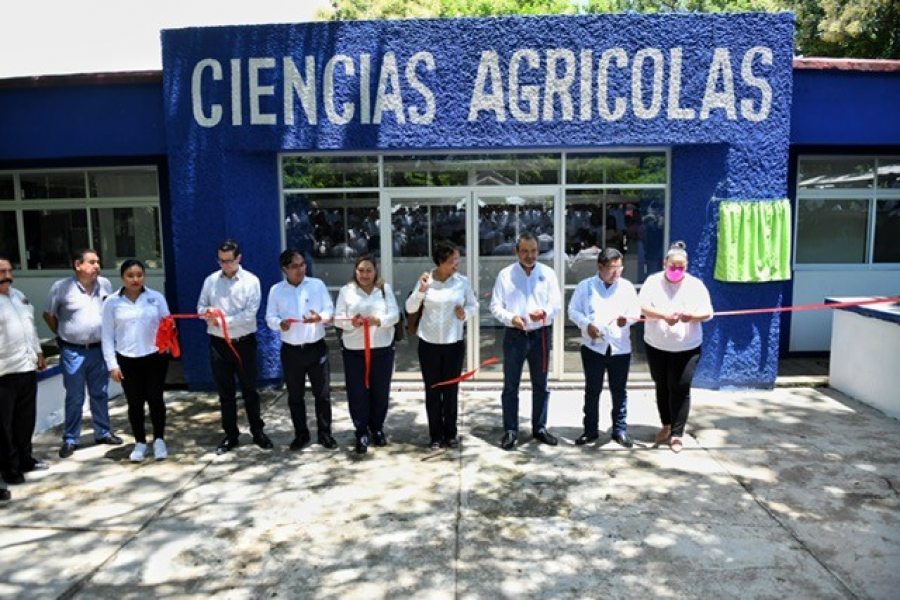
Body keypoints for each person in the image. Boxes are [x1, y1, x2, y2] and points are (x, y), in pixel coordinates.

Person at [44, 249, 123, 458]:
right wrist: (63, 335)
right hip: (73, 351)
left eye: (98, 262)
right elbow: (49, 315)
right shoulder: (61, 288)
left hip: (98, 349)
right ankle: (71, 439)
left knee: (100, 393)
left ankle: (103, 432)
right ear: (78, 265)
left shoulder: (105, 285)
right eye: (92, 262)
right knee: (75, 397)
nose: (97, 266)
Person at [197, 239, 273, 455]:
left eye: (229, 261)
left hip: (244, 343)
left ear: (239, 258)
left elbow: (249, 314)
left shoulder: (251, 281)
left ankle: (257, 431)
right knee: (225, 393)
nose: (225, 265)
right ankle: (231, 435)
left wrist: (221, 321)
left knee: (250, 390)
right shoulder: (211, 281)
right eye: (221, 261)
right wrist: (207, 314)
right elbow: (200, 307)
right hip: (218, 344)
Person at [639, 241, 713, 453]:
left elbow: (707, 312)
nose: (676, 271)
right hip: (657, 345)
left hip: (687, 347)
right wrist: (662, 315)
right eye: (673, 266)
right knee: (662, 385)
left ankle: (678, 434)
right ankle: (666, 425)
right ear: (665, 264)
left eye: (681, 267)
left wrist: (691, 317)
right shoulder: (652, 282)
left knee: (680, 387)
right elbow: (642, 307)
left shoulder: (695, 285)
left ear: (687, 266)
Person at [490, 232, 562, 450]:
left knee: (541, 384)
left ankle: (539, 427)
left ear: (538, 251)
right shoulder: (505, 275)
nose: (530, 256)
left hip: (540, 335)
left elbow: (556, 305)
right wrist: (512, 318)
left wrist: (545, 312)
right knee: (511, 385)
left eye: (533, 251)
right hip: (514, 336)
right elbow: (495, 306)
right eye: (524, 251)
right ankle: (510, 430)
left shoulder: (547, 274)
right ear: (516, 252)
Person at [406, 241, 478, 450]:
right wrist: (421, 290)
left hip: (453, 343)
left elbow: (473, 304)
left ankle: (451, 433)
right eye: (452, 260)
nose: (457, 264)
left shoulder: (462, 282)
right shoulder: (426, 280)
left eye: (457, 259)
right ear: (440, 262)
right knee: (432, 391)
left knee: (451, 390)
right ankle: (435, 435)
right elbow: (410, 307)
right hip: (428, 344)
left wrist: (466, 314)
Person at [265, 249, 337, 451]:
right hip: (291, 351)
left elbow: (329, 310)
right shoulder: (276, 290)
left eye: (302, 264)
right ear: (284, 269)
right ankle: (301, 434)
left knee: (322, 394)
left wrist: (319, 317)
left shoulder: (316, 285)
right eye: (295, 266)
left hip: (316, 348)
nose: (300, 269)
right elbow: (269, 317)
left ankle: (325, 434)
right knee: (295, 396)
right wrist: (280, 323)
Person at [568, 248, 640, 448]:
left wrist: (626, 320)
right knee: (593, 390)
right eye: (612, 268)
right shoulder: (586, 286)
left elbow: (636, 312)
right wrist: (586, 325)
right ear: (600, 267)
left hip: (619, 348)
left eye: (620, 268)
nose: (617, 273)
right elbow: (572, 310)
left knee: (619, 391)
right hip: (594, 348)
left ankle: (619, 430)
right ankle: (590, 430)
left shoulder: (626, 287)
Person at [101, 259, 171, 463]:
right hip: (127, 359)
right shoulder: (112, 302)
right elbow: (106, 335)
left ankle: (159, 440)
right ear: (122, 277)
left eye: (139, 275)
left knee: (156, 399)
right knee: (135, 402)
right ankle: (140, 442)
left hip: (154, 357)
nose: (135, 279)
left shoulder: (155, 298)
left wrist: (167, 343)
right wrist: (112, 364)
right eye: (130, 276)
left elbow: (167, 324)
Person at [335, 255, 399, 455]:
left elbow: (395, 315)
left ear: (375, 272)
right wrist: (351, 323)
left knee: (380, 391)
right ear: (355, 271)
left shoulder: (384, 289)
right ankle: (361, 431)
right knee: (357, 393)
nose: (364, 274)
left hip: (381, 348)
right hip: (355, 350)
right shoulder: (346, 291)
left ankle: (377, 428)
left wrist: (379, 320)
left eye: (368, 270)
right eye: (361, 270)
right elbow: (338, 318)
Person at [0, 256, 48, 491]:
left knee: (25, 420)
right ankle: (9, 469)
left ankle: (26, 460)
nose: (7, 275)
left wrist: (39, 353)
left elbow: (31, 329)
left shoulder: (19, 297)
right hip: (4, 372)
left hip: (26, 368)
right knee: (3, 426)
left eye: (9, 270)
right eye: (2, 271)